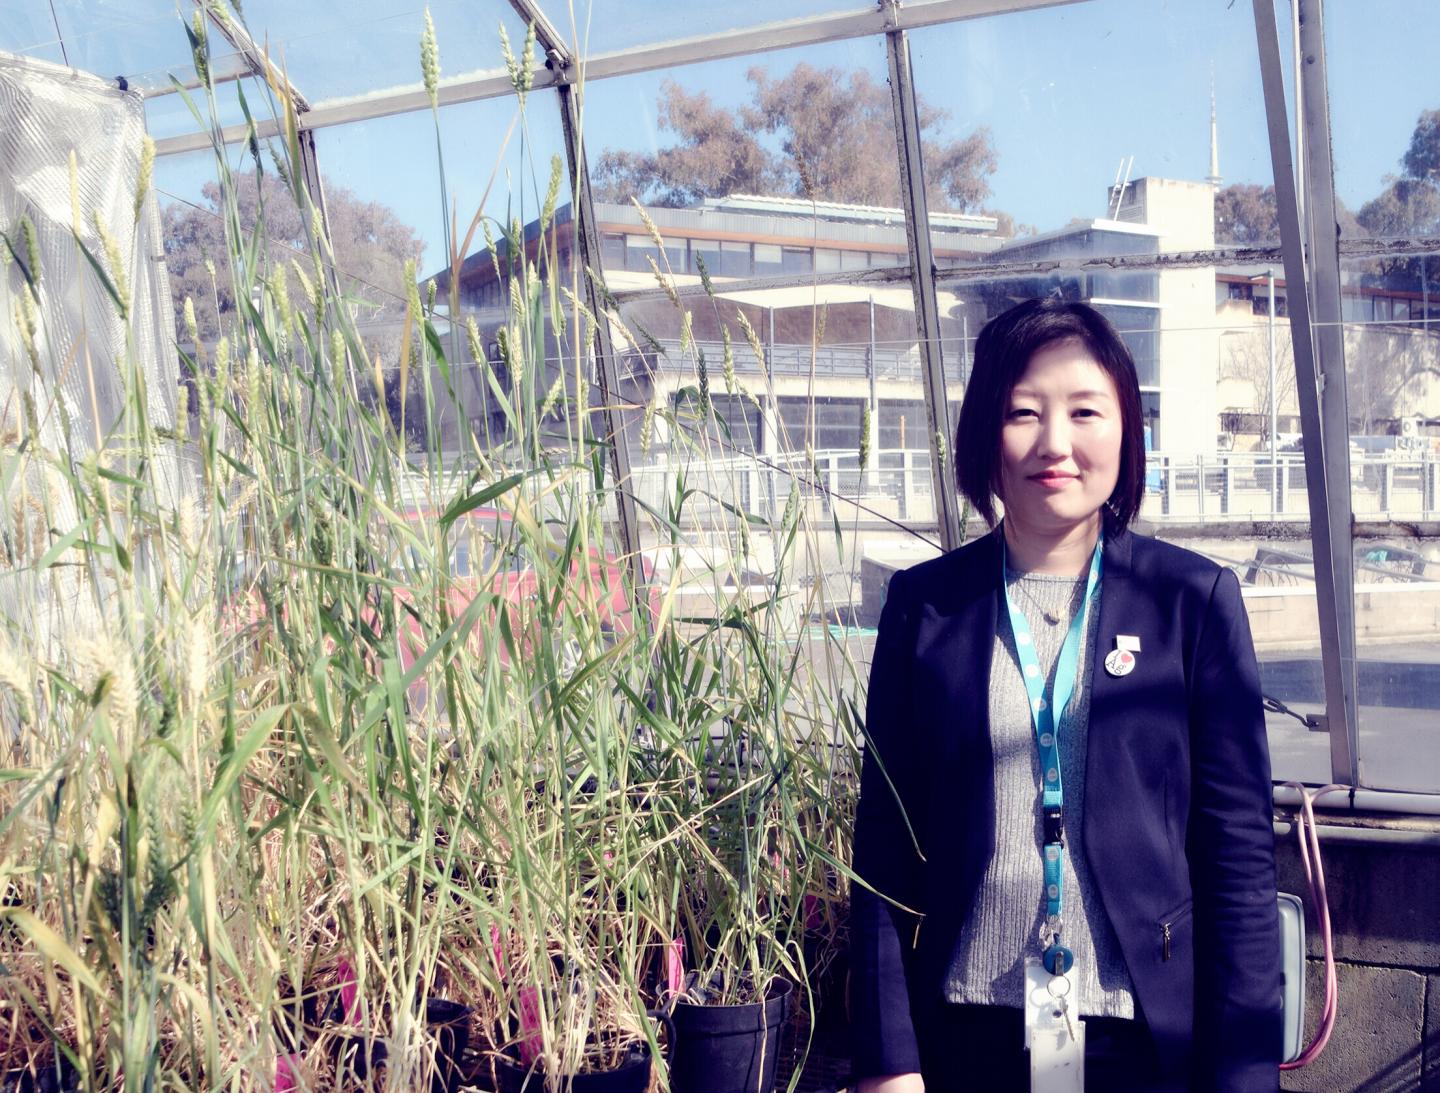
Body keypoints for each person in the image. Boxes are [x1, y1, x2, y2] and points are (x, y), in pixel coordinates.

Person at [849, 298, 1282, 1092]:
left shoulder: (1191, 602)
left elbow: (1240, 859)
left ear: (1126, 429)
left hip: (1142, 1038)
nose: (1055, 441)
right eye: (1024, 412)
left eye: (1085, 410)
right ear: (985, 433)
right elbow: (883, 846)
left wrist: (1246, 1072)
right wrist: (888, 1059)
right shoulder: (926, 607)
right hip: (963, 1033)